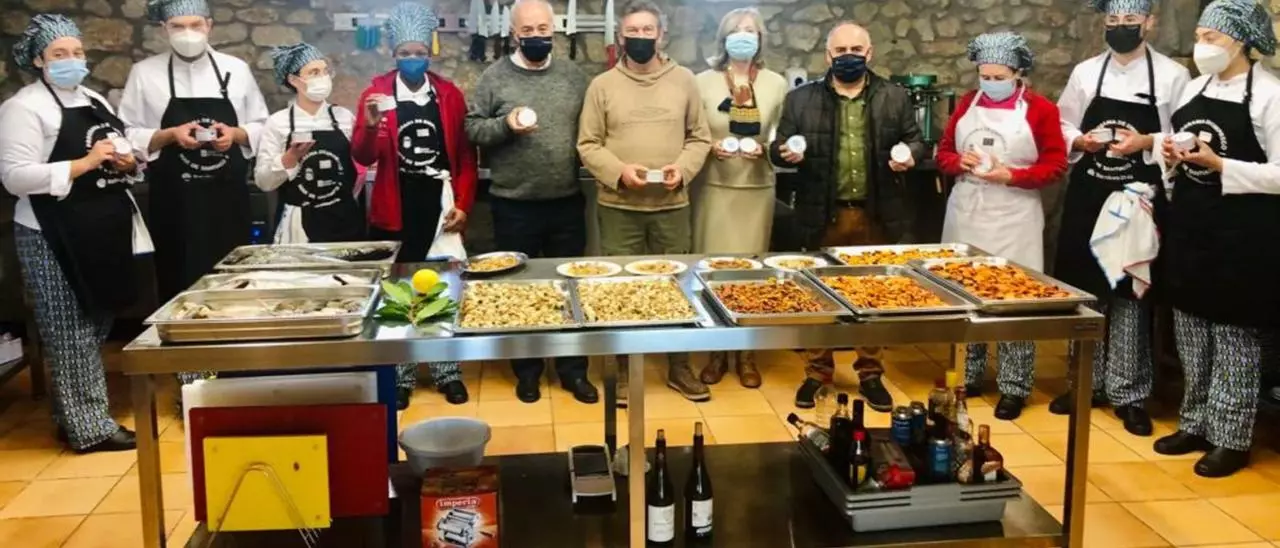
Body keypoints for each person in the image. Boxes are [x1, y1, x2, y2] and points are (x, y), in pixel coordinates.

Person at [0, 14, 154, 452]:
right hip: (53, 231)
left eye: (78, 52)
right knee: (69, 329)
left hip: (102, 226)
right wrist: (84, 164)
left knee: (97, 318)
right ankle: (90, 428)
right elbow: (14, 176)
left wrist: (127, 161)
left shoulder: (93, 98)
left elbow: (121, 150)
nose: (72, 60)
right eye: (59, 54)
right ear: (38, 60)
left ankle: (69, 415)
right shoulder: (23, 108)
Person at [1151, 0, 1280, 477]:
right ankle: (1195, 422)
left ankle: (1231, 438)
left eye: (1212, 38)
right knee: (1191, 332)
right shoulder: (1194, 88)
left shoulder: (1270, 96)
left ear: (1242, 42)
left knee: (1234, 338)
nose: (1201, 46)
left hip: (1243, 236)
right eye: (1198, 37)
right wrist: (1169, 155)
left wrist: (1221, 164)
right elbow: (1172, 151)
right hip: (1191, 225)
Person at [1050, 0, 1190, 436]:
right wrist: (1081, 141)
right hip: (1090, 195)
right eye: (1113, 21)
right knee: (1086, 293)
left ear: (1149, 22)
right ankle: (1083, 384)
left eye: (1130, 21)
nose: (1121, 28)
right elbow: (1062, 123)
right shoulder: (1086, 72)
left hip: (1137, 200)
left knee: (1131, 292)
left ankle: (1129, 394)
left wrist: (1146, 141)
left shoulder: (1172, 75)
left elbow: (1185, 136)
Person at [769, 22, 925, 412]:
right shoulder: (800, 99)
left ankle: (870, 374)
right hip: (822, 213)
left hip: (875, 213)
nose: (848, 56)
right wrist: (785, 152)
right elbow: (778, 145)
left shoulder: (893, 96)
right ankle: (817, 373)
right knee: (817, 297)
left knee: (871, 296)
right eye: (840, 51)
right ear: (828, 56)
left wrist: (911, 155)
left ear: (869, 53)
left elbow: (916, 140)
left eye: (856, 49)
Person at [577, 0, 712, 402]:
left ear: (661, 35)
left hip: (671, 206)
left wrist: (682, 170)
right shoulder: (602, 86)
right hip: (619, 207)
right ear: (620, 37)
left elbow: (699, 137)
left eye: (647, 31)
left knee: (678, 285)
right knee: (619, 287)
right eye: (632, 32)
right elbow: (588, 143)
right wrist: (620, 171)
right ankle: (621, 367)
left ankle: (679, 366)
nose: (639, 38)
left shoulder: (684, 80)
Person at [464, 0, 597, 404]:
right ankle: (527, 371)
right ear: (513, 34)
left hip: (565, 201)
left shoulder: (574, 77)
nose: (536, 36)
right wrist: (506, 125)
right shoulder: (494, 77)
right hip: (513, 205)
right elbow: (472, 129)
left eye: (543, 29)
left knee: (570, 287)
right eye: (527, 31)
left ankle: (573, 371)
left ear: (553, 30)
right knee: (519, 289)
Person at [935, 32, 1068, 420]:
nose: (990, 83)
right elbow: (943, 152)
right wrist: (957, 162)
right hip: (968, 211)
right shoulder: (967, 104)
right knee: (964, 294)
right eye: (984, 76)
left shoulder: (1041, 111)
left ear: (1017, 73)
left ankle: (1014, 385)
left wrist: (1011, 175)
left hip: (1014, 214)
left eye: (999, 77)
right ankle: (969, 375)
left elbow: (1056, 165)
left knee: (1016, 300)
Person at [352, 2, 478, 408]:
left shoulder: (448, 95)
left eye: (419, 53)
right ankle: (402, 374)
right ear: (393, 53)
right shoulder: (375, 94)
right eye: (405, 53)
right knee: (399, 290)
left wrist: (464, 203)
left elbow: (464, 157)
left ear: (430, 53)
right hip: (395, 202)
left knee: (442, 286)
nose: (412, 59)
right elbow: (362, 155)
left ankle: (446, 370)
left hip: (438, 202)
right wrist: (370, 125)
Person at [119, 0, 268, 303]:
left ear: (209, 25)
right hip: (174, 202)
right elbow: (126, 134)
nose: (187, 33)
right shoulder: (144, 73)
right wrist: (169, 135)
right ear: (164, 29)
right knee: (178, 281)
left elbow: (263, 126)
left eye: (195, 25)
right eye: (178, 26)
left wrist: (235, 134)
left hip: (227, 198)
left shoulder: (236, 70)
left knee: (233, 281)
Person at [692, 8, 787, 390]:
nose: (743, 36)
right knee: (712, 271)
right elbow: (693, 132)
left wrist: (767, 150)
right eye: (736, 30)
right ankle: (716, 351)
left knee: (753, 274)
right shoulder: (701, 82)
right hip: (714, 188)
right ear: (723, 38)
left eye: (750, 30)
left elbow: (780, 137)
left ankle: (747, 352)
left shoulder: (777, 84)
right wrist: (709, 146)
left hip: (756, 189)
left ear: (760, 39)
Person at [254, 43, 364, 243]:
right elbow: (264, 182)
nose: (322, 77)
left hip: (344, 219)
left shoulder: (344, 117)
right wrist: (289, 159)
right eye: (314, 72)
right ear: (293, 80)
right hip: (299, 225)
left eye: (325, 71)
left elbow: (361, 167)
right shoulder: (278, 123)